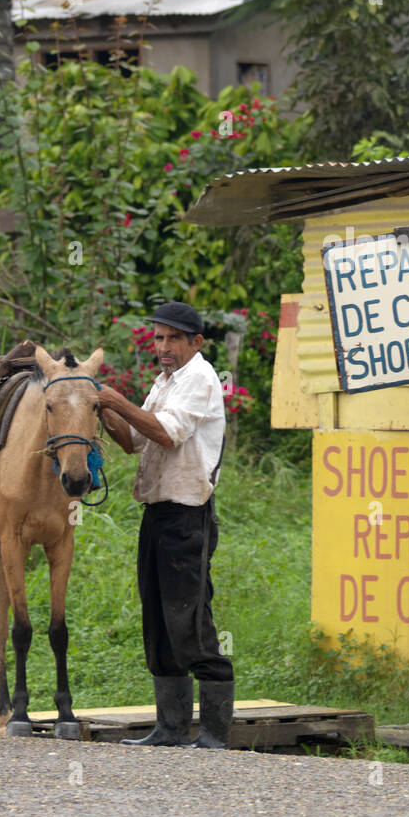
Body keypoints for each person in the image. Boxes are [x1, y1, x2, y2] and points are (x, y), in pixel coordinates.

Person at [97, 301, 235, 748]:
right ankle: (171, 729)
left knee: (190, 619)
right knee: (158, 620)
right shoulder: (165, 383)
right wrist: (102, 411)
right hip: (157, 513)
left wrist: (116, 400)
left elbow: (167, 433)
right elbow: (134, 441)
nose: (163, 347)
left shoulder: (200, 378)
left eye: (174, 338)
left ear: (196, 342)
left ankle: (214, 733)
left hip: (188, 516)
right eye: (158, 338)